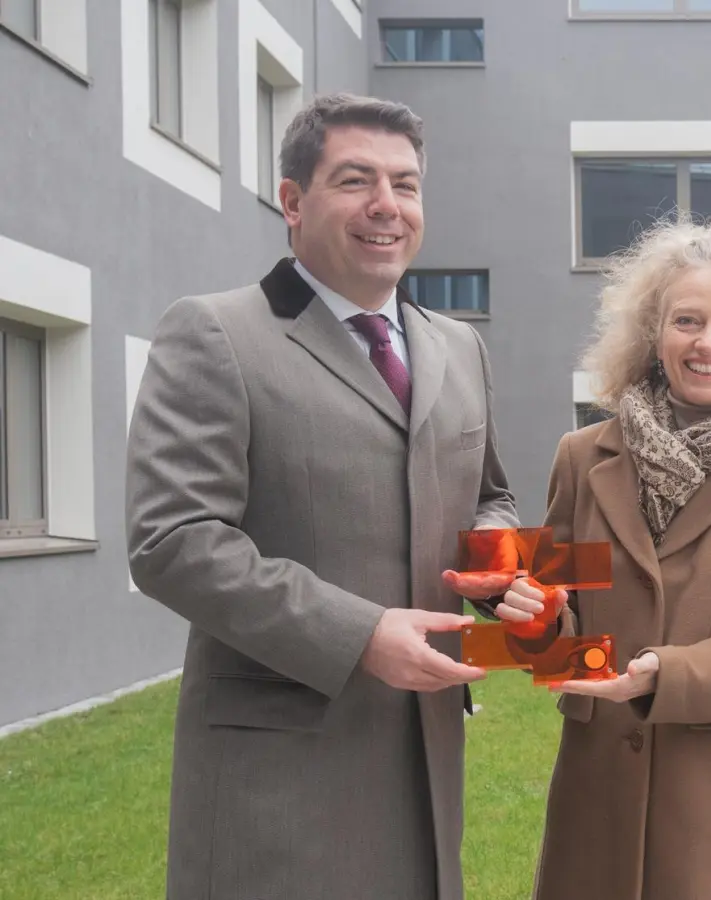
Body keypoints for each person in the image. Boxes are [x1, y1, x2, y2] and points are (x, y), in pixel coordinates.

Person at [126, 93, 517, 900]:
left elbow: (489, 497)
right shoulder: (215, 334)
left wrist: (497, 564)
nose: (386, 205)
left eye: (405, 184)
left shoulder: (459, 347)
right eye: (355, 180)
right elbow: (174, 541)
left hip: (427, 764)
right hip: (279, 784)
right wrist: (361, 634)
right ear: (293, 201)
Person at [499, 218, 711, 900]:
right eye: (686, 320)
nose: (707, 342)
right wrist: (534, 621)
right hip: (596, 812)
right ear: (653, 335)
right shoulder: (581, 458)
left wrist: (666, 673)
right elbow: (560, 624)